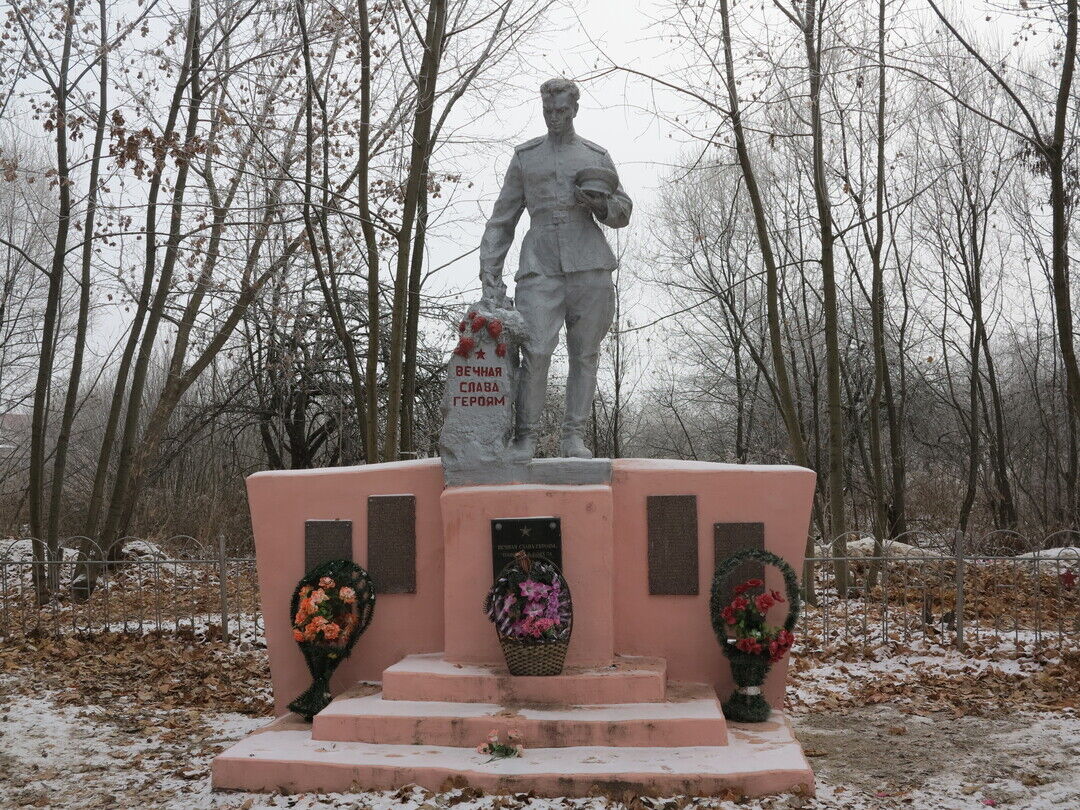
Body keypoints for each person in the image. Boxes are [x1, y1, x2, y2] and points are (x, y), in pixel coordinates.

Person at [479, 77, 633, 459]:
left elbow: (623, 210)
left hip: (590, 265)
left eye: (562, 111)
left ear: (575, 109)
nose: (555, 118)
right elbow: (502, 220)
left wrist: (600, 206)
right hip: (540, 266)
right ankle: (525, 437)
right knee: (536, 350)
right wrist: (490, 272)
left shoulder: (596, 156)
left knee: (585, 354)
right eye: (548, 111)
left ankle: (573, 437)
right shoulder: (526, 157)